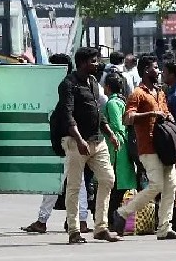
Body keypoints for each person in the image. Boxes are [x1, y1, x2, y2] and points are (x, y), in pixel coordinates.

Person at [111, 55, 176, 240]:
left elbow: (166, 112)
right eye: (155, 67)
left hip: (164, 147)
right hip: (148, 147)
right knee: (157, 185)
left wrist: (169, 118)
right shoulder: (137, 93)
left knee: (171, 188)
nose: (159, 71)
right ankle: (123, 212)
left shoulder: (159, 92)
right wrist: (151, 113)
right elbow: (127, 118)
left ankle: (164, 228)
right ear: (146, 71)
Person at [57, 47, 121, 244]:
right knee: (75, 186)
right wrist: (79, 140)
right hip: (76, 142)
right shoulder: (68, 84)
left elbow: (97, 111)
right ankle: (74, 230)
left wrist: (110, 133)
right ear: (83, 63)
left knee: (108, 178)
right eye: (94, 61)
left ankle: (101, 227)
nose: (97, 64)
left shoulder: (93, 82)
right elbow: (66, 115)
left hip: (97, 140)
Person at [23, 53, 92, 234]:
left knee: (56, 181)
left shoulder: (65, 86)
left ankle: (43, 220)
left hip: (66, 141)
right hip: (75, 140)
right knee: (78, 182)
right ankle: (80, 220)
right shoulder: (76, 84)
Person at [103, 73, 138, 225]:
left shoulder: (111, 103)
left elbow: (117, 125)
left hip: (117, 148)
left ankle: (112, 219)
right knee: (120, 185)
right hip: (123, 146)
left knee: (115, 186)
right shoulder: (121, 101)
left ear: (108, 88)